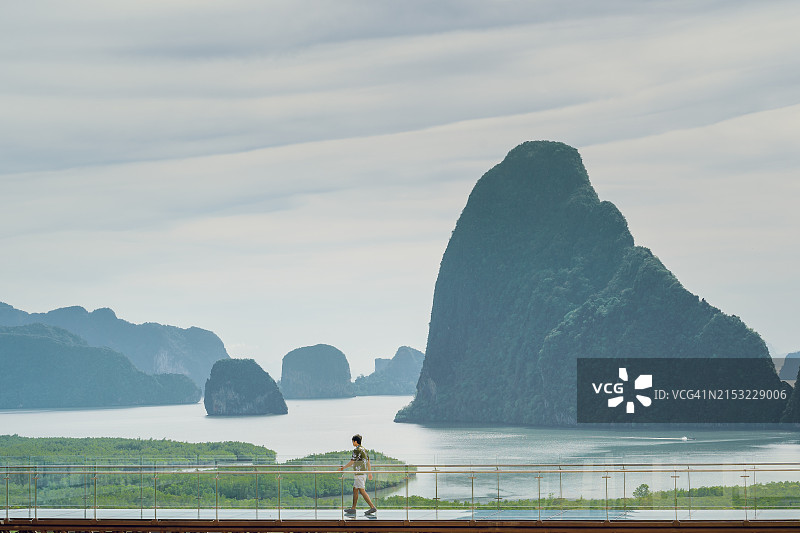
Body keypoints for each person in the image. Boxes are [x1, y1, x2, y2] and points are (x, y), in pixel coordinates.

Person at [338, 434, 377, 515]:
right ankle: (353, 508)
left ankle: (372, 507)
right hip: (363, 473)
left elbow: (352, 461)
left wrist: (343, 468)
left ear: (355, 441)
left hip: (359, 473)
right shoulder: (364, 450)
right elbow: (368, 462)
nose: (352, 443)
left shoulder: (356, 450)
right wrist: (369, 473)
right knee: (355, 489)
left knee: (362, 490)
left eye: (353, 441)